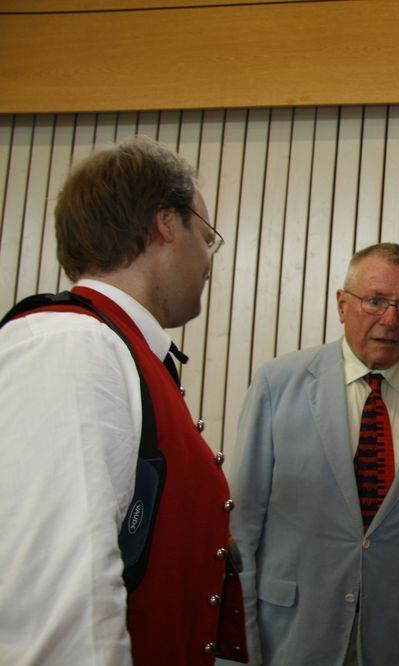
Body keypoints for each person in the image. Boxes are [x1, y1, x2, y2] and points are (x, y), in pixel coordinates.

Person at [0, 136, 247, 664]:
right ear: (166, 223)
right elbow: (66, 614)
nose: (209, 261)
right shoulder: (73, 345)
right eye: (207, 238)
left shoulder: (115, 347)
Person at [227, 242, 399, 666]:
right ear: (342, 304)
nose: (390, 320)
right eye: (375, 301)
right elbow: (241, 530)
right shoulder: (277, 385)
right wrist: (238, 651)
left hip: (393, 640)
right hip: (288, 635)